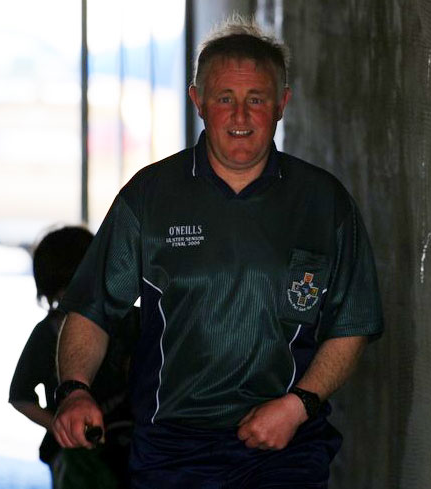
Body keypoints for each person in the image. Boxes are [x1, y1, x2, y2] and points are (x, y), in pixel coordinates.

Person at [52, 17, 383, 489]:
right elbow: (92, 309)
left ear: (282, 105)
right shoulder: (149, 198)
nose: (241, 117)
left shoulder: (324, 203)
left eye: (257, 100)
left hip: (287, 448)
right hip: (172, 453)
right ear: (199, 102)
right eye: (226, 98)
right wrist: (74, 390)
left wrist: (297, 406)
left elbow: (352, 325)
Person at [9, 226, 137, 489]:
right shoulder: (46, 334)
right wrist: (63, 427)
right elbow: (20, 396)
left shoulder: (130, 320)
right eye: (63, 293)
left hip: (131, 443)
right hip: (75, 457)